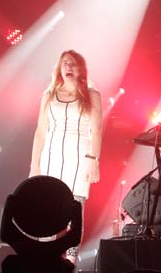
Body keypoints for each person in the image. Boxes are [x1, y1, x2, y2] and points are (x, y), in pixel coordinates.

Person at [29, 50, 102, 263]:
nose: (68, 67)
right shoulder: (49, 94)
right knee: (47, 208)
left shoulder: (92, 94)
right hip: (50, 156)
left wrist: (94, 161)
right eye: (64, 63)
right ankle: (44, 257)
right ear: (59, 69)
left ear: (81, 69)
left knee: (74, 210)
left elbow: (96, 131)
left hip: (79, 155)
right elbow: (40, 131)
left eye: (72, 63)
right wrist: (34, 166)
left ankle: (70, 262)